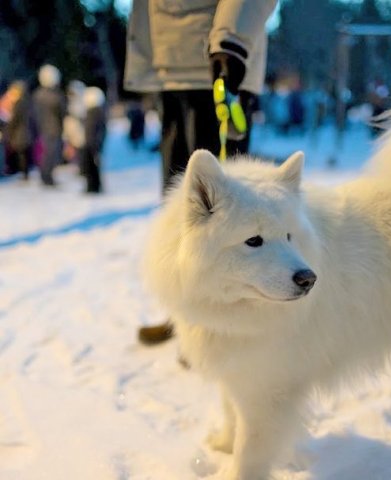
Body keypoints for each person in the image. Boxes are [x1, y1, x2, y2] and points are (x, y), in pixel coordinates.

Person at [124, 0, 277, 344]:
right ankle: (186, 311)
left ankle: (221, 323)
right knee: (182, 210)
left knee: (226, 215)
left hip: (217, 63)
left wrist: (231, 40)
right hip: (171, 67)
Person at [32, 64, 66, 186]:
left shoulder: (37, 95)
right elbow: (62, 112)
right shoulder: (56, 95)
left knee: (46, 153)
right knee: (51, 154)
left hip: (42, 128)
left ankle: (45, 176)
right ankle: (47, 178)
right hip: (53, 128)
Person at [2, 81, 35, 179]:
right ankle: (23, 172)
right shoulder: (26, 101)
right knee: (22, 153)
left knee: (21, 153)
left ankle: (22, 172)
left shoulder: (19, 103)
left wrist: (8, 129)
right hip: (23, 131)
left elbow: (14, 119)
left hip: (19, 132)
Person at [82, 86, 106, 193]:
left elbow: (93, 131)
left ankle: (93, 187)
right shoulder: (97, 112)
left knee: (92, 168)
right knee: (92, 167)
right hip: (93, 144)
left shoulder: (94, 113)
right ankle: (94, 187)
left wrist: (94, 145)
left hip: (92, 144)